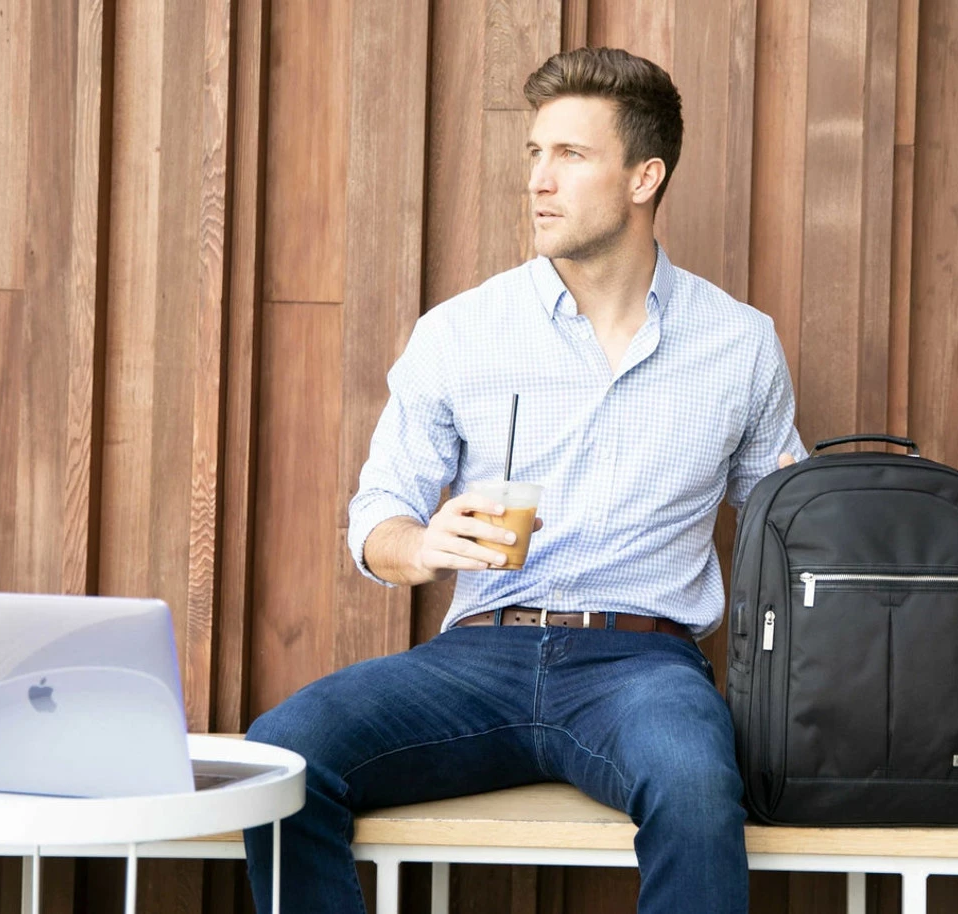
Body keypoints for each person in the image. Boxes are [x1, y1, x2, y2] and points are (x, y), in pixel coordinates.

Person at [243, 46, 806, 914]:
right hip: (480, 656)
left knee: (696, 791)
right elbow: (378, 515)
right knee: (281, 759)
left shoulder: (739, 344)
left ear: (645, 177)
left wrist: (837, 520)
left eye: (570, 155)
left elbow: (788, 525)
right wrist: (422, 545)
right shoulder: (462, 331)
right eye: (535, 153)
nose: (539, 180)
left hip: (643, 666)